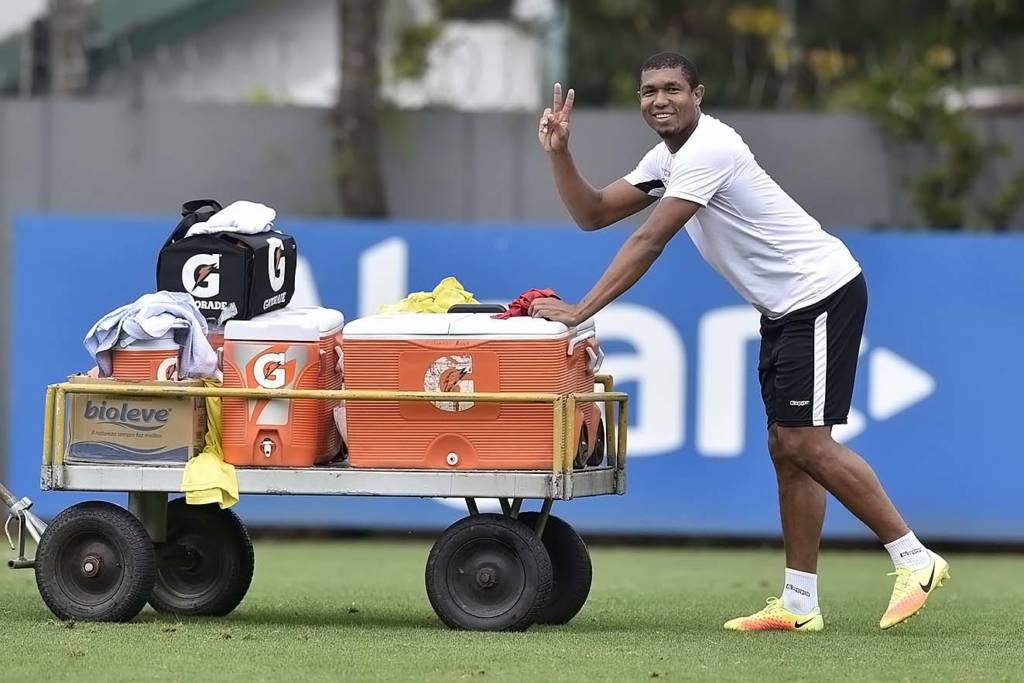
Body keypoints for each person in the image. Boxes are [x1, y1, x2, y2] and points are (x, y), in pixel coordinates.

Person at [531, 52, 949, 632]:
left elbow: (650, 239)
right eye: (649, 90)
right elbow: (594, 212)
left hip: (820, 293)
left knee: (804, 443)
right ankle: (799, 604)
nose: (660, 99)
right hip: (783, 310)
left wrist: (581, 310)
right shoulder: (666, 158)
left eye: (673, 88)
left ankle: (914, 558)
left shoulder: (711, 147)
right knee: (787, 447)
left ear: (698, 95)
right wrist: (560, 154)